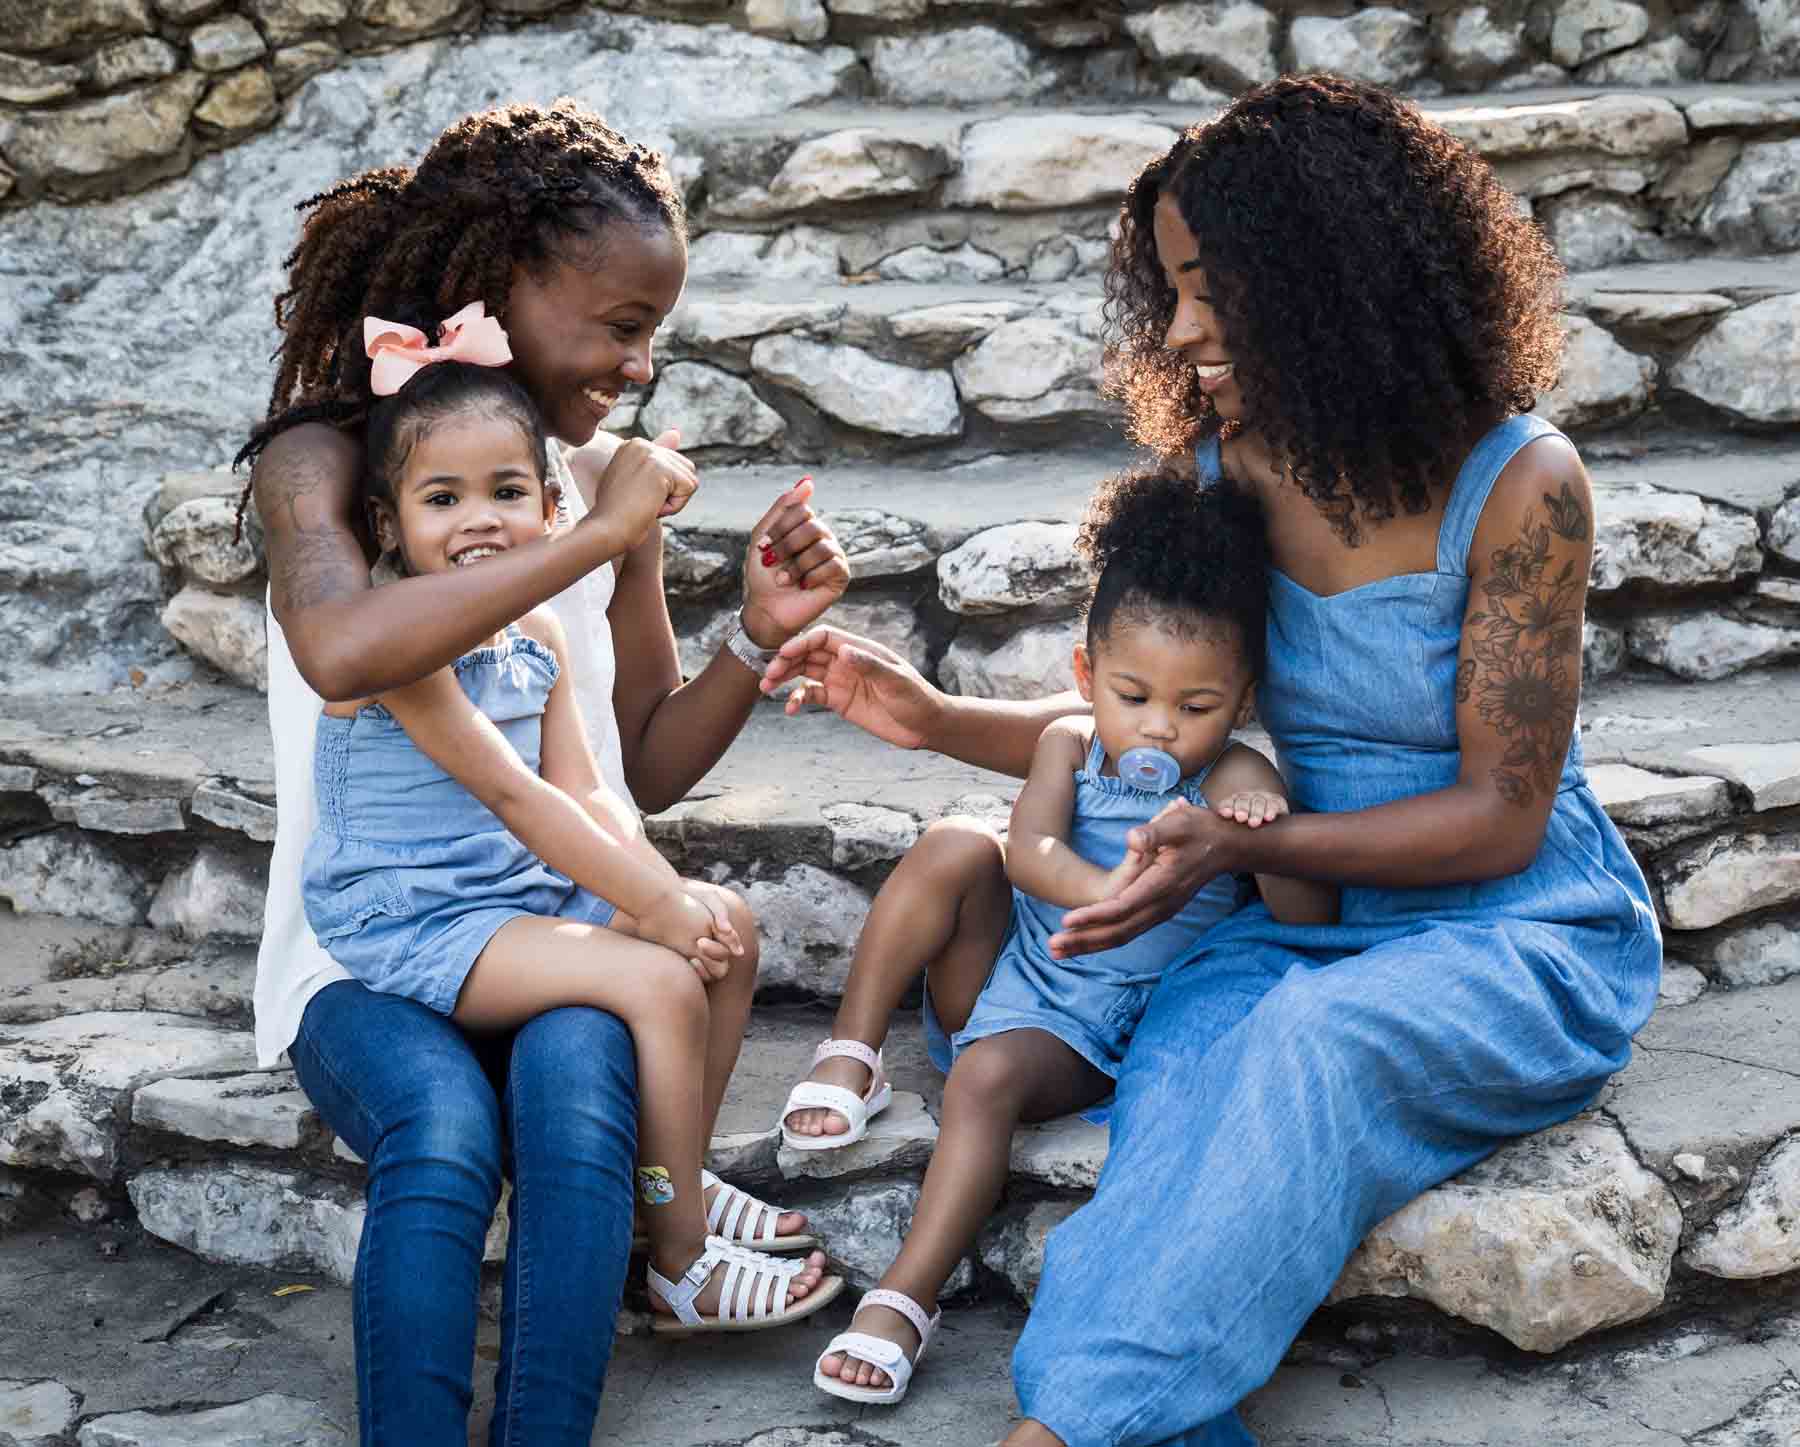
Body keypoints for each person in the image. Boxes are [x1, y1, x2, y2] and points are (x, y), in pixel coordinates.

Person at [762, 73, 1662, 1446]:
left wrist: (1247, 844)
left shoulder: (1523, 482)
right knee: (1176, 1104)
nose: (1179, 333)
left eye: (1209, 290)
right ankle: (1125, 1424)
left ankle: (1057, 1434)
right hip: (1286, 918)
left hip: (1508, 929)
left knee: (1304, 1043)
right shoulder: (1219, 467)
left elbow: (1496, 817)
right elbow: (1157, 720)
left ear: (1323, 285)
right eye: (1167, 290)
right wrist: (936, 716)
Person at [238, 99, 850, 1445]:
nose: (638, 366)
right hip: (366, 949)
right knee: (444, 1133)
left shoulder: (574, 487)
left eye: (654, 334)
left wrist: (754, 637)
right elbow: (343, 648)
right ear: (491, 290)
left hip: (548, 907)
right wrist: (596, 532)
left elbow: (639, 763)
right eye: (618, 324)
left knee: (580, 1121)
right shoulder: (332, 461)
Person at [303, 345, 844, 1333]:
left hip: (514, 894)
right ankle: (677, 1262)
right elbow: (516, 798)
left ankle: (676, 1178)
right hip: (416, 915)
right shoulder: (400, 648)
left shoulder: (537, 638)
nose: (480, 520)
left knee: (724, 926)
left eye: (508, 490)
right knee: (659, 973)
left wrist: (670, 896)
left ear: (551, 509)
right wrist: (650, 911)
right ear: (389, 524)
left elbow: (587, 791)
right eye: (442, 499)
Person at [782, 469, 1337, 1405]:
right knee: (957, 842)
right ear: (1086, 677)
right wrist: (1103, 887)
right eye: (1133, 693)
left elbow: (1305, 922)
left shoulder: (1237, 772)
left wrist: (1266, 835)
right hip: (1008, 973)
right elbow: (1030, 850)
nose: (1160, 724)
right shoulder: (1068, 744)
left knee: (985, 1076)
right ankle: (854, 1049)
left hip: (1085, 1032)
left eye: (1196, 707)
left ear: (1242, 700)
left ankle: (903, 1298)